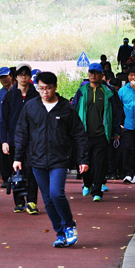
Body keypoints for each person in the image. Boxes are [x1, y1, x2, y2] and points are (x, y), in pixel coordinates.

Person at [13, 72, 89, 247]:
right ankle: (60, 233)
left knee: (56, 193)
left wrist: (82, 159)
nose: (44, 92)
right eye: (41, 88)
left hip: (59, 159)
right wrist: (18, 157)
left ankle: (69, 225)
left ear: (55, 87)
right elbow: (22, 132)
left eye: (48, 88)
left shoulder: (66, 108)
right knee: (47, 199)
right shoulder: (31, 107)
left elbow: (79, 135)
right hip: (36, 160)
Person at [72, 64, 122, 202]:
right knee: (84, 161)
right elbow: (74, 109)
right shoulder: (82, 91)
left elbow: (114, 113)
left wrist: (116, 131)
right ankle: (87, 182)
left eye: (96, 73)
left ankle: (97, 191)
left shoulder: (108, 92)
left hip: (102, 134)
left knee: (100, 163)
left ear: (101, 75)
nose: (93, 75)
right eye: (91, 73)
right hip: (84, 134)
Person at [0, 63, 40, 214]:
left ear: (30, 77)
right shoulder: (8, 96)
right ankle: (19, 202)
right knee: (16, 170)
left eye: (26, 74)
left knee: (31, 170)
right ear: (15, 77)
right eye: (20, 74)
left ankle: (32, 201)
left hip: (32, 141)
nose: (23, 77)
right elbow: (2, 121)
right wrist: (4, 141)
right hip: (13, 140)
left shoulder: (36, 95)